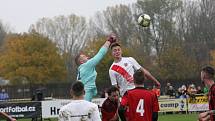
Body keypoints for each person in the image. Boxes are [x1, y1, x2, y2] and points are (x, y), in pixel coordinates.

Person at [75, 34, 116, 101]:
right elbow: (100, 54)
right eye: (84, 57)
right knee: (86, 110)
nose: (87, 57)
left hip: (82, 94)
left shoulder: (80, 70)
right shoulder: (86, 65)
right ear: (82, 62)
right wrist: (109, 41)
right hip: (85, 94)